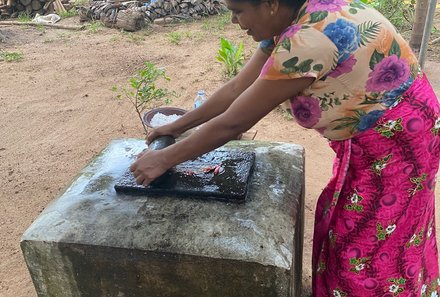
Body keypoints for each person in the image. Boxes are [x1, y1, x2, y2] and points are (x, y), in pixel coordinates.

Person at [130, 0, 440, 295]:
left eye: (238, 11)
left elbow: (233, 123)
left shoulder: (307, 40)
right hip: (387, 130)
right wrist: (176, 126)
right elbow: (238, 88)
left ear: (271, 4)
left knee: (368, 246)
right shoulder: (292, 19)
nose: (234, 22)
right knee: (362, 224)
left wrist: (164, 159)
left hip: (399, 141)